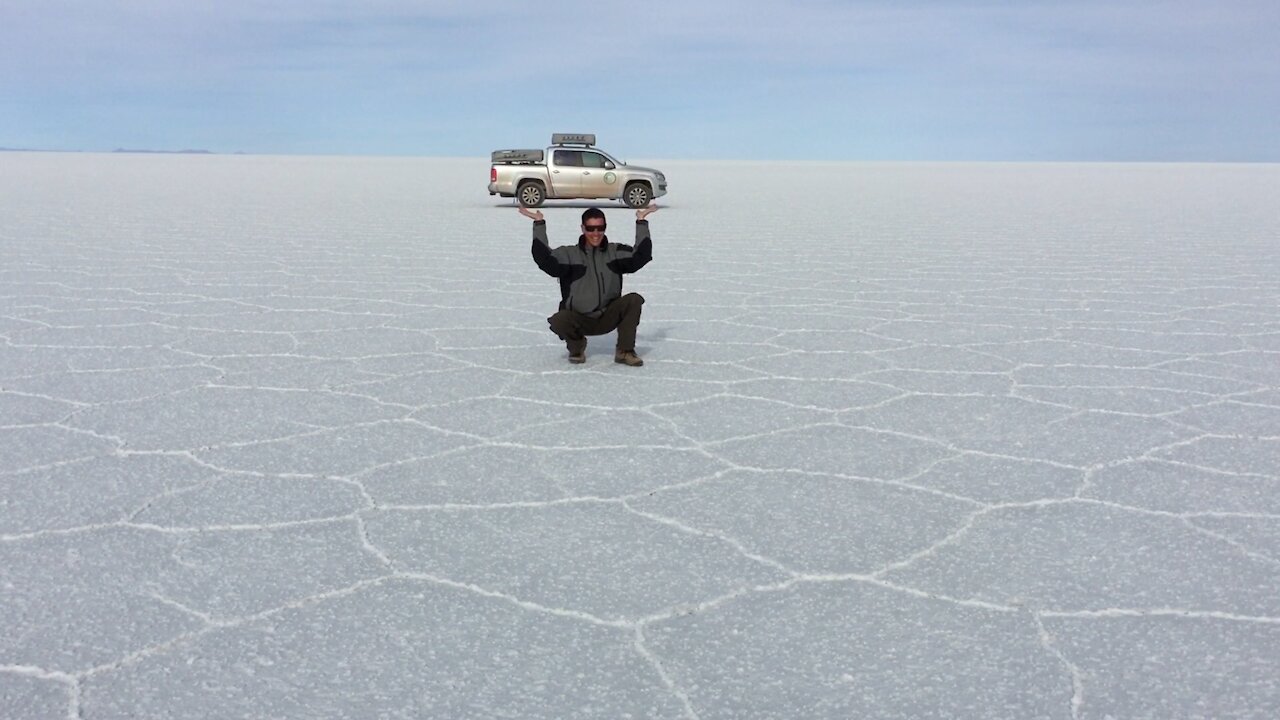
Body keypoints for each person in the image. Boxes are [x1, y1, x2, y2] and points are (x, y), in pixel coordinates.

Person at [519, 204, 658, 366]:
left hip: (607, 317)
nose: (596, 233)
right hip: (580, 320)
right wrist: (539, 224)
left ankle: (625, 351)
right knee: (559, 320)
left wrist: (641, 222)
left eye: (600, 228)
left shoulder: (615, 252)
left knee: (634, 300)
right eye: (591, 228)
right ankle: (577, 348)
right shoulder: (569, 255)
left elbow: (641, 256)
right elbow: (544, 259)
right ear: (583, 228)